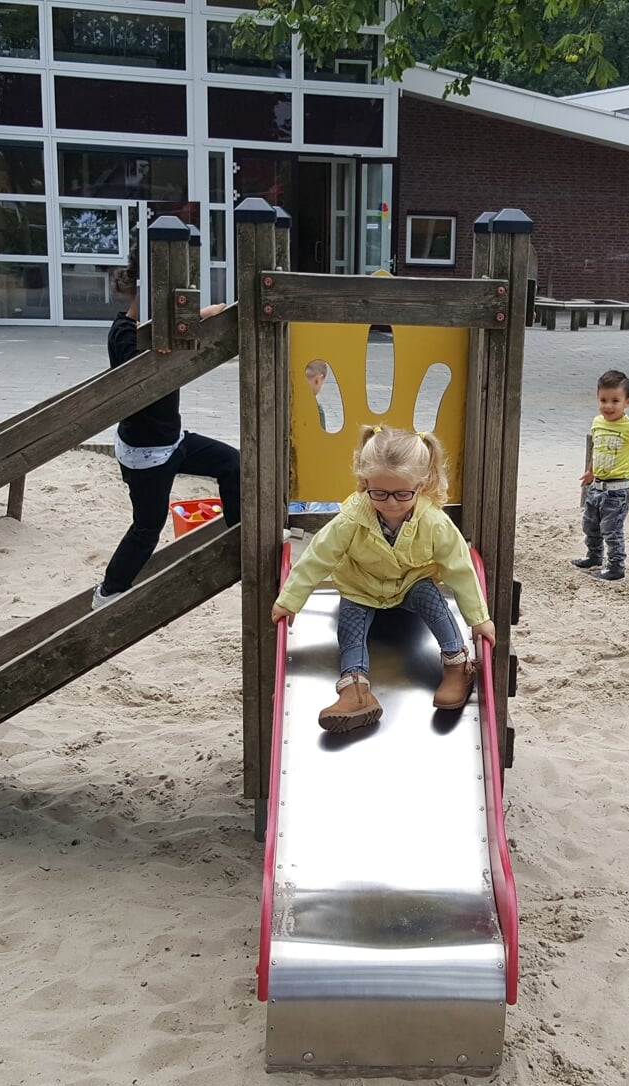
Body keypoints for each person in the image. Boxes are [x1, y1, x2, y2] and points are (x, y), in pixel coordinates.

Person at [271, 426, 497, 733]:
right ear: (364, 484)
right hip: (361, 587)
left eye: (403, 494)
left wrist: (478, 619)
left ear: (422, 483)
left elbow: (460, 569)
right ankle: (356, 691)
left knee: (430, 595)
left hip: (408, 586)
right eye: (379, 493)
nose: (391, 503)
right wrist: (290, 600)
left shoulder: (434, 523)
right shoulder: (352, 519)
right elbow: (317, 556)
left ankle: (457, 664)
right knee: (350, 626)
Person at [94, 263, 238, 610]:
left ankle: (237, 536)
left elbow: (175, 332)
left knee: (232, 463)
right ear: (143, 296)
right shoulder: (123, 333)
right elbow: (139, 371)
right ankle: (109, 590)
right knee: (148, 526)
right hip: (145, 453)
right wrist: (165, 348)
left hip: (173, 441)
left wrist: (206, 314)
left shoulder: (157, 329)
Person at [571, 370, 629, 581]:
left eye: (615, 401)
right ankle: (594, 556)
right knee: (590, 524)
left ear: (628, 402)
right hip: (596, 486)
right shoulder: (597, 422)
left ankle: (616, 566)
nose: (608, 406)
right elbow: (597, 448)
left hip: (617, 490)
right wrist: (590, 470)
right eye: (603, 400)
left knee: (612, 529)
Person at [288, 359, 342, 517]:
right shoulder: (315, 408)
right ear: (318, 379)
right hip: (305, 471)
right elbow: (320, 442)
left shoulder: (284, 400)